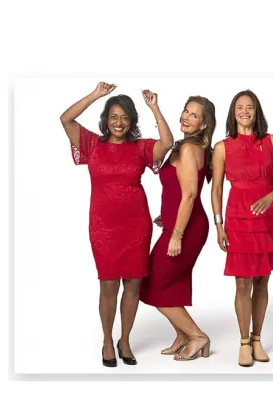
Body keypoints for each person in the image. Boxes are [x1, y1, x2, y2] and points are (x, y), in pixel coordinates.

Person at [60, 82, 173, 367]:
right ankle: (108, 340)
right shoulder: (92, 144)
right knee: (108, 284)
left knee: (133, 284)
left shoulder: (140, 147)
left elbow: (168, 143)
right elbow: (66, 119)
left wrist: (155, 107)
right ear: (105, 120)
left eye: (124, 117)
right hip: (103, 226)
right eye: (113, 116)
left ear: (132, 121)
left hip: (136, 225)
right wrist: (97, 95)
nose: (118, 122)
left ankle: (125, 339)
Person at [211, 89, 273, 367]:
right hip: (237, 217)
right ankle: (244, 343)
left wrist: (269, 197)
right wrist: (218, 224)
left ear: (257, 112)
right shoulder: (222, 147)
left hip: (268, 217)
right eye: (239, 108)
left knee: (262, 280)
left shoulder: (272, 142)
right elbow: (217, 188)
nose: (244, 112)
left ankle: (258, 339)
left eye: (250, 107)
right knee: (242, 281)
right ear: (233, 113)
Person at [140, 96, 216, 361]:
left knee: (152, 282)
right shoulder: (189, 147)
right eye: (186, 110)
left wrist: (177, 234)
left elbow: (190, 196)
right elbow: (178, 190)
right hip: (180, 223)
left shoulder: (188, 150)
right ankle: (183, 335)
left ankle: (197, 336)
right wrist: (169, 216)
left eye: (194, 115)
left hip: (188, 228)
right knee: (172, 284)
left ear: (204, 124)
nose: (186, 116)